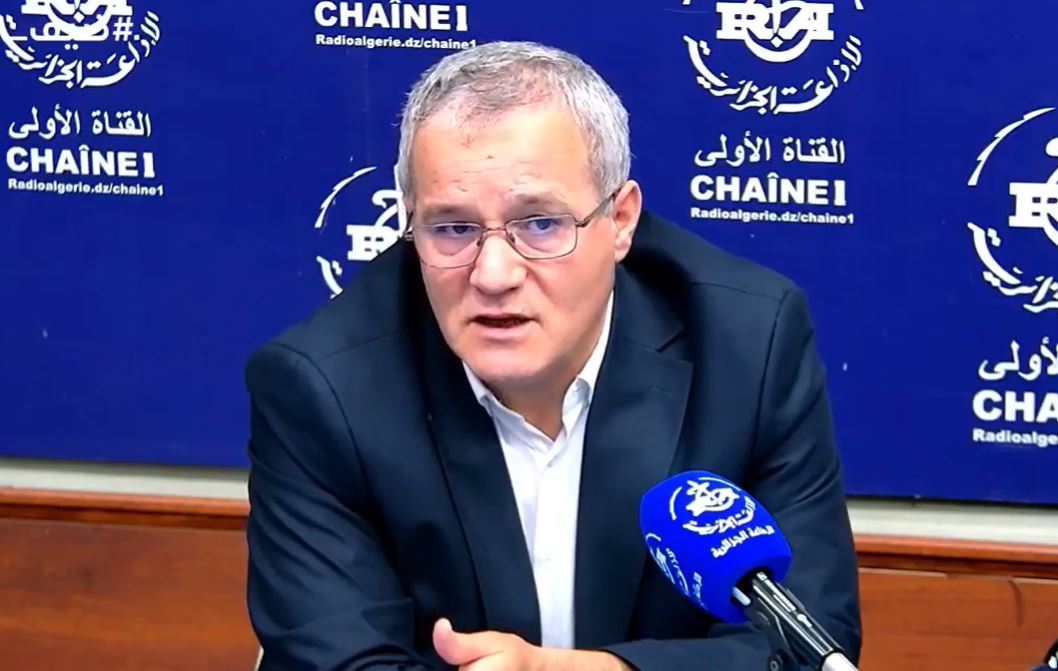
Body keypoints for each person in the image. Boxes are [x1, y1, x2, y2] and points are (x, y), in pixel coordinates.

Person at [244, 41, 861, 671]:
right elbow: (340, 659)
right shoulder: (322, 389)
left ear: (620, 221)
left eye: (539, 223)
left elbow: (808, 643)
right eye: (453, 228)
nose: (493, 274)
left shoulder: (747, 344)